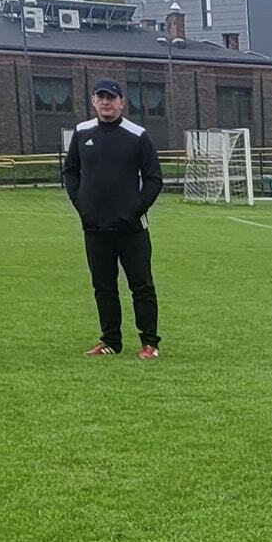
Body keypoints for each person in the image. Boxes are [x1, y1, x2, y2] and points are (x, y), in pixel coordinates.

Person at [63, 77, 164, 358]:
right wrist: (81, 203)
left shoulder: (138, 135)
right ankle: (110, 341)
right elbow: (70, 171)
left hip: (131, 229)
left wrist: (135, 209)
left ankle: (150, 343)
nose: (106, 102)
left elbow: (155, 179)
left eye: (112, 97)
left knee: (141, 286)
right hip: (95, 227)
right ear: (93, 101)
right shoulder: (82, 133)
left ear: (122, 102)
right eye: (101, 97)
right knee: (103, 286)